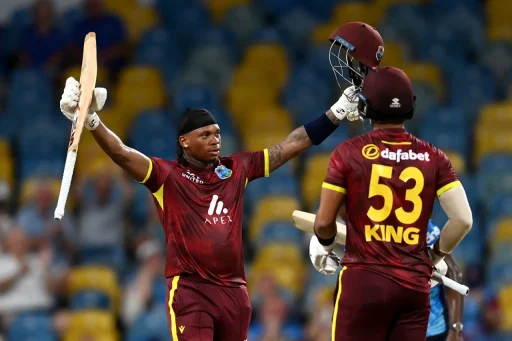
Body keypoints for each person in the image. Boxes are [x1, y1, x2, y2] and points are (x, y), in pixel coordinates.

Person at [58, 73, 359, 340]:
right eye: (205, 135)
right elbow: (122, 154)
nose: (215, 140)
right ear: (184, 142)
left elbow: (293, 143)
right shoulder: (167, 176)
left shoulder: (237, 168)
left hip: (234, 292)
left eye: (216, 133)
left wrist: (337, 112)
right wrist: (93, 121)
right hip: (191, 291)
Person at [310, 66, 473, 340]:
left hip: (363, 283)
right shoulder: (435, 157)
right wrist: (434, 256)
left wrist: (324, 246)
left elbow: (325, 222)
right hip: (413, 287)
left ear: (366, 107)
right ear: (411, 105)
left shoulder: (347, 153)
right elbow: (463, 220)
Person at [426, 220, 465, 341]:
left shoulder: (425, 227)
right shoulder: (374, 228)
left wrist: (455, 330)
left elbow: (453, 273)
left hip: (433, 329)